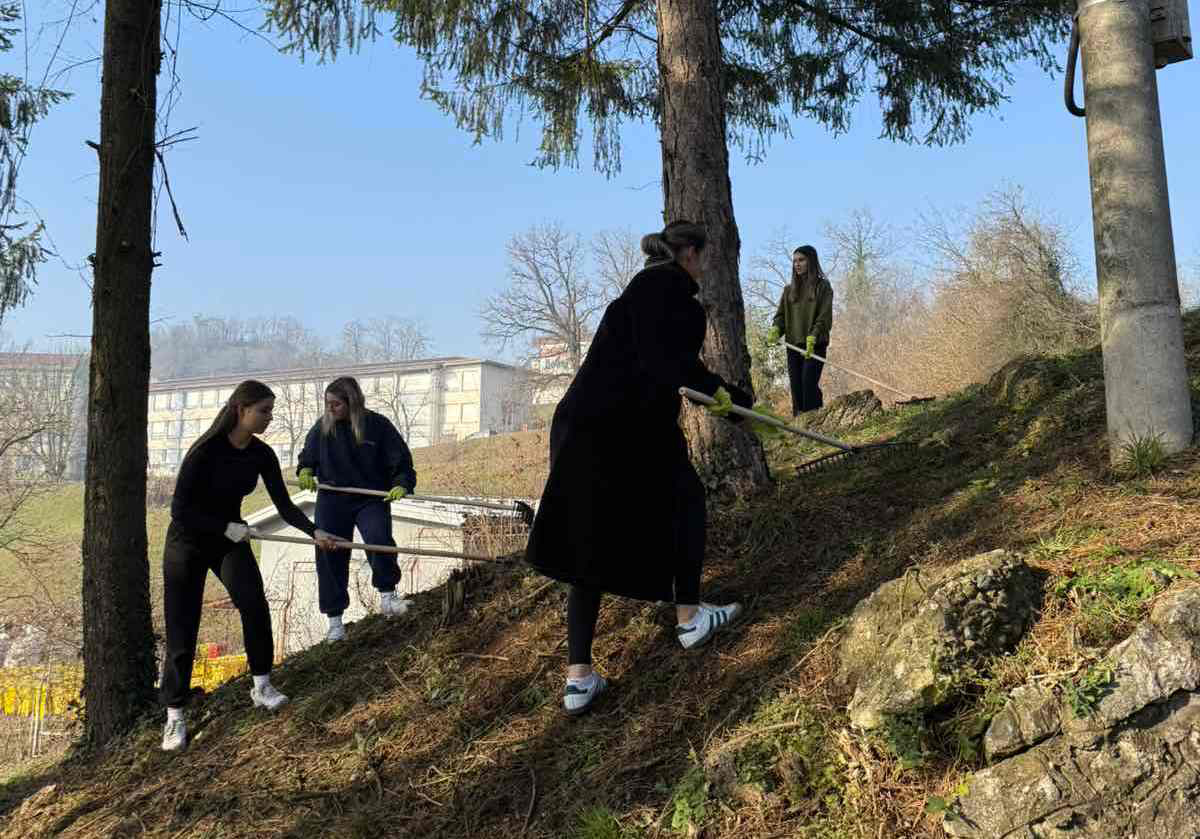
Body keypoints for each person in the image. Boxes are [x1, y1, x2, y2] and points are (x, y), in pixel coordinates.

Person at [525, 219, 775, 716]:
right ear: (689, 254)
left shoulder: (632, 296)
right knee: (685, 501)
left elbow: (659, 363)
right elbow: (673, 367)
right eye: (702, 257)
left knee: (587, 539)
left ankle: (578, 677)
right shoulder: (677, 297)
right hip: (627, 425)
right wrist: (732, 400)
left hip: (579, 423)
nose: (703, 267)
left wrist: (718, 395)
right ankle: (689, 617)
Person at [160, 380, 338, 752]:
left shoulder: (261, 455)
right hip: (188, 543)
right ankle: (174, 715)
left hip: (229, 541)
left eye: (271, 411)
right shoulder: (205, 451)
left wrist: (315, 531)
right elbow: (180, 511)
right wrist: (224, 526)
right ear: (242, 410)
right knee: (183, 628)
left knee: (255, 605)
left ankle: (262, 685)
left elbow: (286, 506)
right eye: (264, 411)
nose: (269, 418)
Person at [296, 376, 417, 642]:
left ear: (352, 402)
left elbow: (400, 459)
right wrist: (305, 469)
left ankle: (388, 597)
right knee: (329, 551)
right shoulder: (322, 428)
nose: (330, 409)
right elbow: (308, 455)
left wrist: (402, 483)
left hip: (369, 497)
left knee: (379, 539)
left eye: (336, 404)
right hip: (332, 497)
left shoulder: (377, 426)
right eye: (327, 403)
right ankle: (335, 621)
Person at [767, 245, 834, 415]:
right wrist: (776, 329)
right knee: (796, 387)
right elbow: (781, 316)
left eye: (801, 260)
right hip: (794, 345)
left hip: (815, 344)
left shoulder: (823, 286)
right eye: (795, 261)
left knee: (808, 384)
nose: (797, 264)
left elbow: (824, 316)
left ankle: (815, 421)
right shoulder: (789, 290)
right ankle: (800, 424)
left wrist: (814, 335)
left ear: (811, 261)